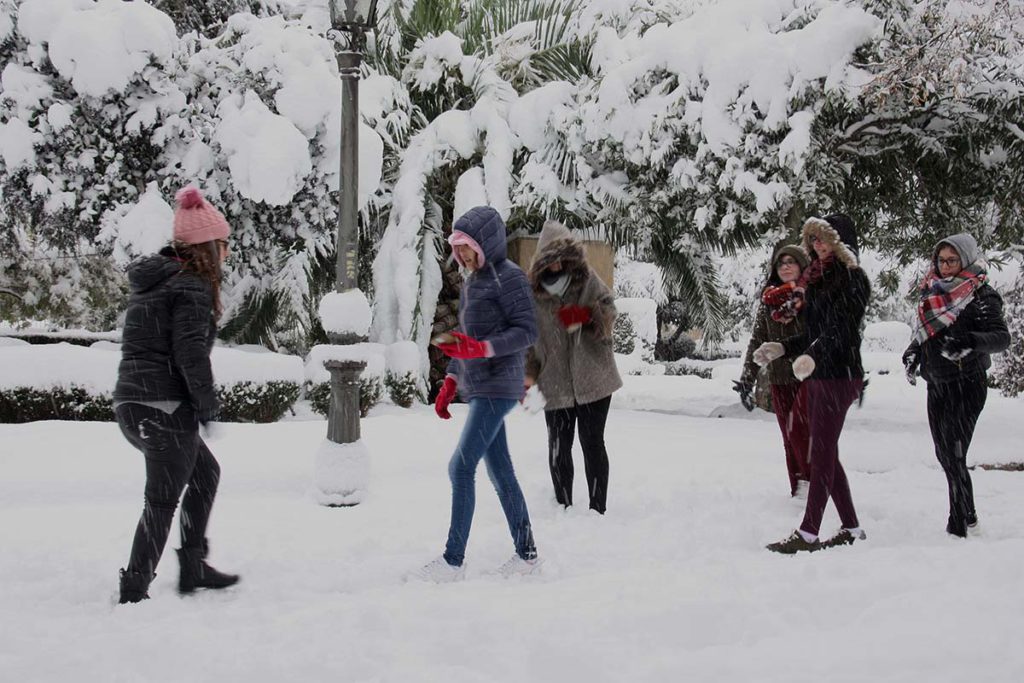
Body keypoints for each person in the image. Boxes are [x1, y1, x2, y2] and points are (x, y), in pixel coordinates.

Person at [114, 186, 239, 604]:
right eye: (223, 245)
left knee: (205, 474)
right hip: (164, 407)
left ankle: (192, 565)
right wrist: (206, 403)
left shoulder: (156, 282)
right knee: (162, 500)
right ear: (209, 247)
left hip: (133, 404)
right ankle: (135, 586)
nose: (226, 254)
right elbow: (189, 353)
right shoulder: (190, 286)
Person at [411, 206, 540, 582]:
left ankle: (453, 561)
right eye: (457, 247)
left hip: (500, 385)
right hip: (481, 386)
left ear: (487, 243)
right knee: (501, 472)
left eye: (467, 246)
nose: (462, 254)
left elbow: (527, 331)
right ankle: (527, 554)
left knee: (461, 467)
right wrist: (451, 380)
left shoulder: (510, 278)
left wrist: (484, 350)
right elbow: (465, 343)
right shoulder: (474, 283)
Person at [755, 214, 871, 554]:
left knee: (820, 453)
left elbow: (842, 331)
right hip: (820, 374)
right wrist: (783, 348)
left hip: (840, 375)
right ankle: (851, 527)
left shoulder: (853, 279)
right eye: (814, 239)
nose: (818, 245)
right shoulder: (816, 280)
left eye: (824, 239)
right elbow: (813, 332)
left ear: (840, 241)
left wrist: (813, 354)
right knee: (827, 454)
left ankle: (808, 533)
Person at [902, 233, 1010, 537]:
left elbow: (1002, 337)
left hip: (968, 382)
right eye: (941, 260)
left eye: (952, 260)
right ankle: (970, 514)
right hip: (936, 383)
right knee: (944, 453)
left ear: (965, 260)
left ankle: (958, 523)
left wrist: (970, 342)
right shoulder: (932, 291)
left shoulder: (981, 294)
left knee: (955, 453)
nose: (946, 266)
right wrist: (914, 351)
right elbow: (929, 333)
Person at [525, 220, 622, 514]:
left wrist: (587, 315)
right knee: (558, 446)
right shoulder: (534, 296)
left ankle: (597, 509)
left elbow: (610, 311)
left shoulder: (587, 280)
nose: (556, 264)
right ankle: (562, 506)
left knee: (592, 443)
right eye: (549, 259)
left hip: (594, 380)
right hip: (554, 383)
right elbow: (530, 342)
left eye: (561, 257)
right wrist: (528, 375)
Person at [736, 244, 811, 497]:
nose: (786, 266)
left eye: (791, 261)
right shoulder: (769, 301)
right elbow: (757, 341)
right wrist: (747, 378)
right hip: (780, 381)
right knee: (789, 439)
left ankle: (815, 486)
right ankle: (798, 491)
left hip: (808, 380)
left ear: (802, 266)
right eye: (781, 263)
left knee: (804, 437)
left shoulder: (812, 296)